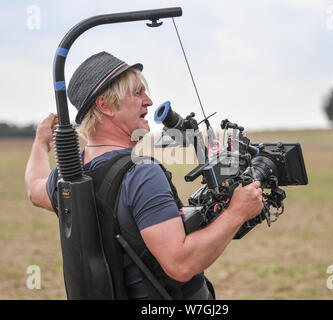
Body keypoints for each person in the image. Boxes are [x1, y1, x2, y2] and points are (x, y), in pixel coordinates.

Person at [25, 51, 264, 300]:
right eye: (137, 92)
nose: (148, 101)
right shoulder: (141, 175)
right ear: (104, 105)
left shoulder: (70, 176)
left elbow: (34, 189)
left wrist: (40, 144)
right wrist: (236, 213)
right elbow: (180, 263)